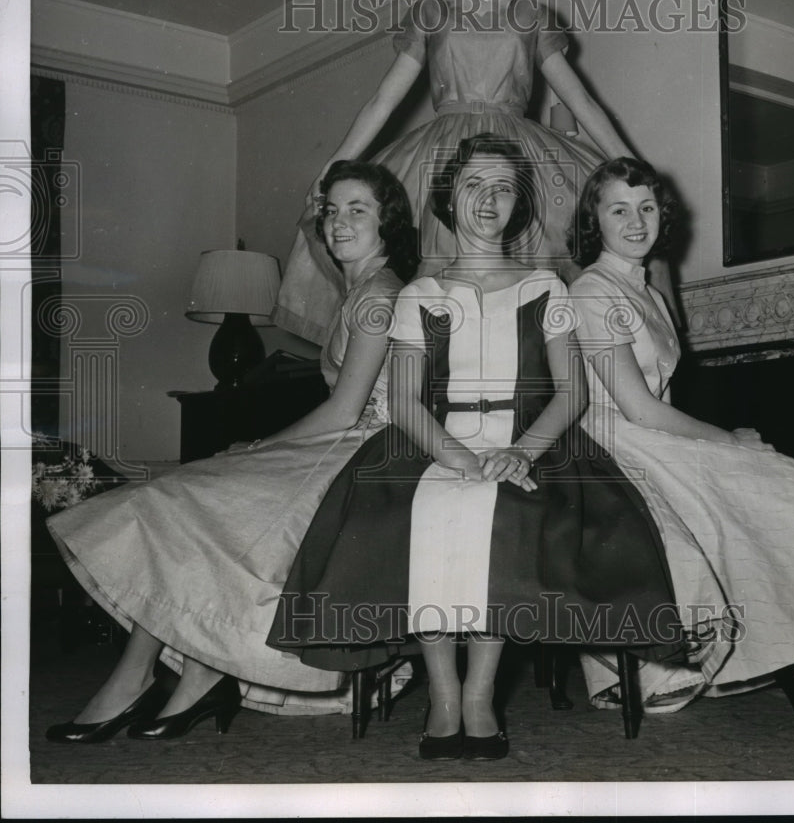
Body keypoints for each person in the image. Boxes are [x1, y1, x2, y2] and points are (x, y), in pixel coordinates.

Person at [268, 136, 685, 761]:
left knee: (506, 518)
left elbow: (571, 393)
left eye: (503, 187)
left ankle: (481, 694)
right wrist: (454, 455)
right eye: (473, 184)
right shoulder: (418, 295)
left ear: (519, 203)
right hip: (434, 441)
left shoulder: (548, 288)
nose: (488, 199)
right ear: (448, 196)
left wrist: (522, 451)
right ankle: (442, 694)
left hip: (530, 441)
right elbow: (405, 400)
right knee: (428, 513)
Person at [45, 162, 420, 743]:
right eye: (332, 210)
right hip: (343, 445)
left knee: (183, 495)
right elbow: (316, 226)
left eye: (358, 210)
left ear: (387, 222)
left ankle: (146, 678)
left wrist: (259, 446)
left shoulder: (380, 297)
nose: (338, 222)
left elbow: (347, 411)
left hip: (364, 454)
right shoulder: (361, 287)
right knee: (183, 495)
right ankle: (184, 674)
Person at [567, 157, 794, 720]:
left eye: (646, 207)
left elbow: (660, 404)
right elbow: (638, 407)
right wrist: (727, 442)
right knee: (770, 486)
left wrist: (721, 445)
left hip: (649, 439)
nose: (636, 220)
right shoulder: (593, 293)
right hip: (614, 452)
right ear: (594, 219)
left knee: (769, 493)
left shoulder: (642, 287)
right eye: (619, 209)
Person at [273, 0, 672, 348]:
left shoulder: (530, 16)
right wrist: (334, 166)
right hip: (443, 157)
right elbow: (383, 100)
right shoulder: (432, 12)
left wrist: (634, 169)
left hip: (522, 155)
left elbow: (582, 102)